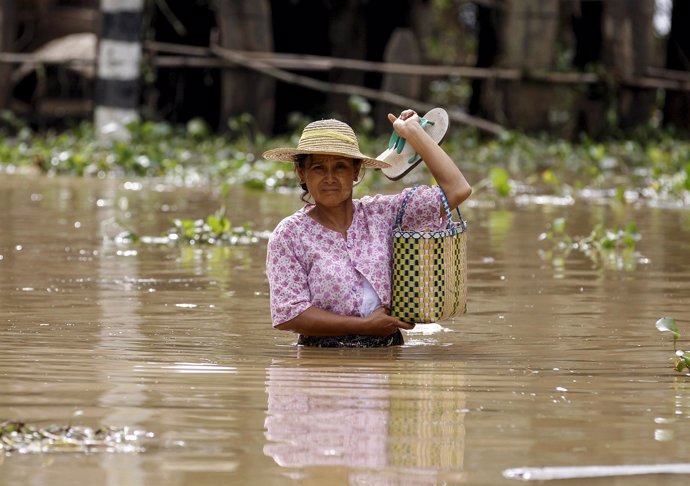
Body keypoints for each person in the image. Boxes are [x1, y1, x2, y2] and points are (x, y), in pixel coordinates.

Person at [263, 109, 472, 347]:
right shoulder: (290, 234)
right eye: (318, 168)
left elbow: (457, 189)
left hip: (388, 351)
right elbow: (288, 314)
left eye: (340, 167)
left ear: (355, 171)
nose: (329, 178)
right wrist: (363, 326)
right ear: (302, 173)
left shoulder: (383, 214)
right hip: (321, 361)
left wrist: (414, 132)